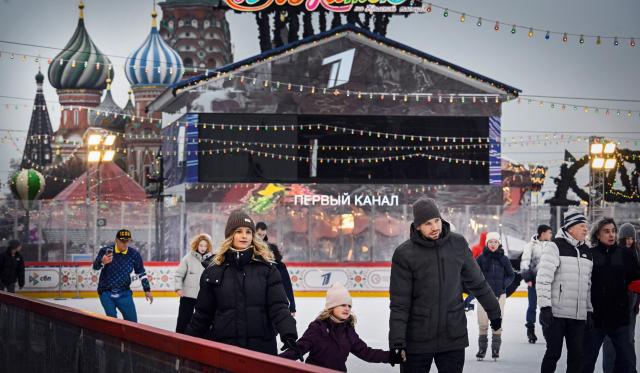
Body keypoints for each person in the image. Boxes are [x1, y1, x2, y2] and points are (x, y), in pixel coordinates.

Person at [389, 197, 502, 373]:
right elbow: (400, 303)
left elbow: (478, 283)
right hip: (417, 339)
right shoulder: (404, 254)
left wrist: (494, 312)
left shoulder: (458, 244)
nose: (435, 227)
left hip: (453, 335)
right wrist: (397, 341)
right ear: (417, 226)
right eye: (428, 223)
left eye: (436, 221)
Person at [185, 210, 298, 355]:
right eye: (238, 231)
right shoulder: (214, 271)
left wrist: (289, 334)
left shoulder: (267, 269)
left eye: (248, 232)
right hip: (225, 350)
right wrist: (187, 341)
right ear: (230, 235)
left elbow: (279, 307)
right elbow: (203, 314)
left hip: (261, 350)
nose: (244, 236)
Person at [280, 282, 400, 371]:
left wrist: (390, 356)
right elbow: (300, 348)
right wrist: (273, 360)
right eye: (342, 305)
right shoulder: (318, 328)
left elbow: (366, 352)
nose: (347, 308)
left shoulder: (348, 331)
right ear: (332, 307)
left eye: (349, 305)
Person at [536, 208, 592, 373]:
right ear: (571, 227)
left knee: (577, 357)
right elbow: (543, 279)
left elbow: (588, 285)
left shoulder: (586, 251)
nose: (585, 229)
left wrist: (589, 311)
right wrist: (545, 307)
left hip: (578, 316)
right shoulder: (555, 247)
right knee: (553, 353)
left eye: (586, 226)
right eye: (582, 225)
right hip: (556, 315)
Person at [582, 218, 640, 373]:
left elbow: (635, 281)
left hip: (619, 319)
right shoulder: (590, 255)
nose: (611, 235)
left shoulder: (626, 255)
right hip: (595, 319)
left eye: (613, 231)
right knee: (586, 362)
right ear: (597, 235)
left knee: (627, 363)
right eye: (606, 231)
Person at [92, 229, 153, 322]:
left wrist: (147, 290)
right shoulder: (105, 251)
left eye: (127, 241)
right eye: (122, 241)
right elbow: (95, 267)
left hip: (124, 293)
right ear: (116, 240)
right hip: (106, 292)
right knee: (112, 322)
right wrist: (102, 262)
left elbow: (141, 273)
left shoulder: (134, 254)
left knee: (132, 323)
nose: (125, 244)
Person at [601, 223, 639, 373]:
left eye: (631, 238)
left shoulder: (637, 253)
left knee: (629, 340)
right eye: (626, 238)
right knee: (610, 340)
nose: (629, 241)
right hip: (614, 306)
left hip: (632, 306)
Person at [474, 232, 514, 361]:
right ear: (486, 243)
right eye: (490, 242)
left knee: (497, 322)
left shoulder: (504, 259)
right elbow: (474, 274)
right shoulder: (481, 258)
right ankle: (482, 349)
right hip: (483, 296)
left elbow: (511, 275)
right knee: (483, 322)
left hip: (499, 295)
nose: (493, 244)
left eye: (495, 242)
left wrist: (504, 285)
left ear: (499, 243)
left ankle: (495, 349)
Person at [174, 233, 214, 333]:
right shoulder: (188, 258)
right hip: (188, 296)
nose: (203, 248)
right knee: (184, 319)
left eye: (205, 246)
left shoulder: (211, 260)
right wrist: (178, 288)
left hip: (203, 297)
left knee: (202, 321)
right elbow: (179, 275)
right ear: (197, 245)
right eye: (201, 245)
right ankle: (180, 338)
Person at [521, 224, 553, 344]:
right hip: (534, 281)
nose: (551, 235)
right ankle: (530, 329)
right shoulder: (530, 245)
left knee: (546, 307)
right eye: (549, 233)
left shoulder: (552, 246)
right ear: (543, 233)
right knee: (532, 306)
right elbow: (525, 262)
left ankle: (547, 330)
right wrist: (528, 278)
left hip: (548, 282)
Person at [255, 221, 296, 315]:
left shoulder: (272, 252)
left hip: (270, 301)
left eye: (263, 235)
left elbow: (287, 285)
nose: (261, 237)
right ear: (254, 233)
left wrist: (292, 305)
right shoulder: (248, 251)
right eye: (259, 234)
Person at [464, 231, 488, 312]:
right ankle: (467, 305)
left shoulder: (476, 248)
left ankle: (468, 306)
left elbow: (471, 259)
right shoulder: (486, 250)